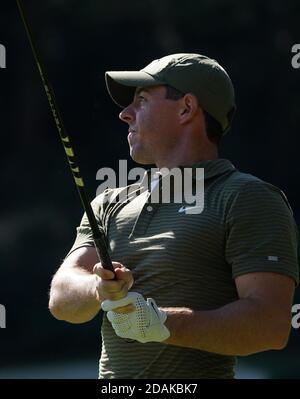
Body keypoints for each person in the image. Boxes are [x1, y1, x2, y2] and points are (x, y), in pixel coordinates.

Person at [49, 53, 299, 379]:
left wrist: (162, 323)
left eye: (141, 100)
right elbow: (61, 300)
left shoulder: (247, 197)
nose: (125, 114)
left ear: (186, 108)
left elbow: (270, 326)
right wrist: (99, 288)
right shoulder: (109, 202)